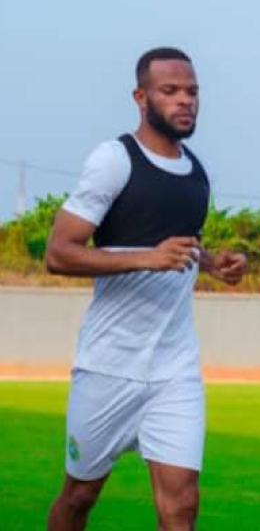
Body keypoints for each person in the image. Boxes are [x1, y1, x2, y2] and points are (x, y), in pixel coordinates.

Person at [46, 47, 247, 531]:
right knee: (79, 496)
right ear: (142, 97)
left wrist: (212, 262)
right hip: (108, 366)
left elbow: (182, 246)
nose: (185, 102)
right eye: (171, 91)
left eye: (193, 92)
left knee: (181, 503)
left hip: (174, 369)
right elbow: (59, 253)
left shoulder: (199, 173)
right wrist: (147, 258)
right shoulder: (114, 160)